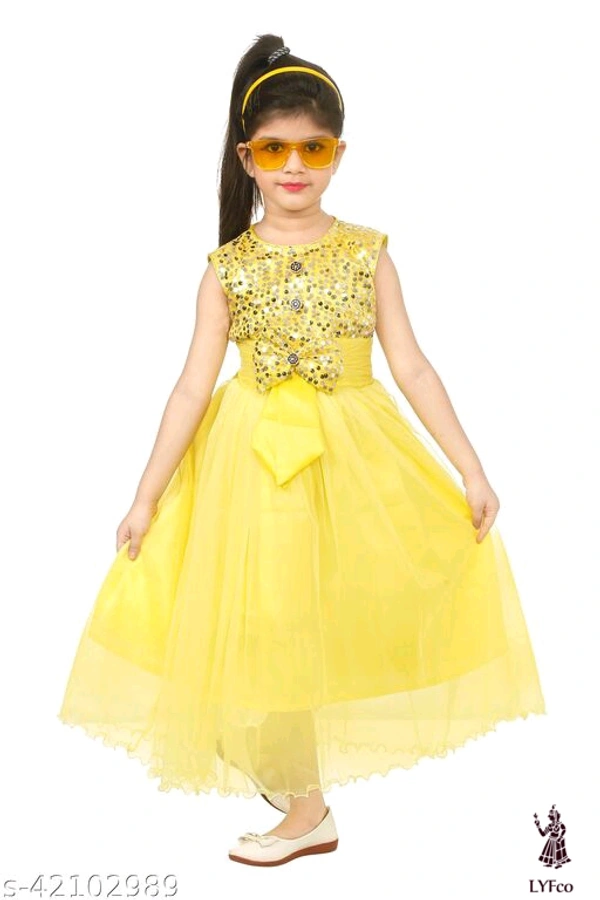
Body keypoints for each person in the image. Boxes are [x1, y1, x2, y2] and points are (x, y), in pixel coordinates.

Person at [57, 34, 547, 867]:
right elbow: (190, 388)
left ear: (338, 154)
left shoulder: (369, 254)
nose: (295, 166)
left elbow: (413, 366)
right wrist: (145, 495)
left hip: (351, 459)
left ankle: (304, 800)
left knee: (324, 620)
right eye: (276, 149)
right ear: (247, 158)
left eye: (313, 149)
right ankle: (301, 792)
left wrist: (471, 467)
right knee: (270, 622)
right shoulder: (226, 269)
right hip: (250, 466)